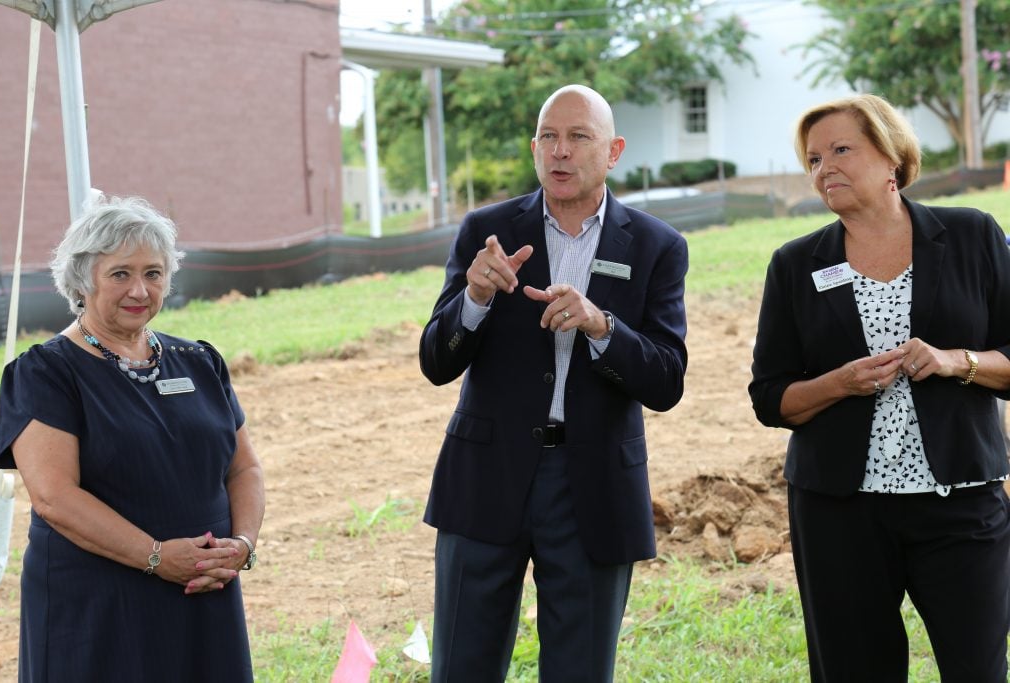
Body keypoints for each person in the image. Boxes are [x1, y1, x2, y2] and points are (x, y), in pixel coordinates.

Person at [419, 84, 688, 681]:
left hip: (591, 486)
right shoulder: (486, 230)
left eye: (578, 137)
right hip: (485, 478)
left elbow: (667, 380)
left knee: (579, 668)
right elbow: (436, 361)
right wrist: (476, 297)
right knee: (462, 663)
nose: (560, 152)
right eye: (548, 137)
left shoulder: (655, 246)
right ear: (534, 147)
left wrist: (602, 326)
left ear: (613, 150)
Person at [749, 94, 1010, 681]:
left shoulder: (973, 236)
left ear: (892, 158)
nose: (825, 168)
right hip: (839, 514)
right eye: (814, 159)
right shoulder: (794, 263)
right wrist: (838, 384)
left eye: (842, 149)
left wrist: (954, 361)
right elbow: (770, 397)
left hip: (960, 504)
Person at [0, 196, 265, 682]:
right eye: (120, 274)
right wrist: (158, 557)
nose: (139, 289)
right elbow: (55, 498)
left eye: (153, 273)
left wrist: (242, 543)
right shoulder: (47, 372)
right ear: (83, 280)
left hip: (203, 591)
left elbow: (244, 468)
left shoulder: (200, 361)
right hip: (99, 605)